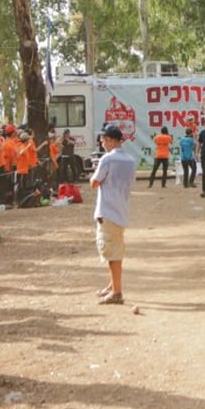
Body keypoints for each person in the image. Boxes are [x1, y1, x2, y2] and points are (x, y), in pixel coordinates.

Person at [90, 125, 136, 305]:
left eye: (103, 141)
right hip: (122, 209)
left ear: (110, 140)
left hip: (107, 210)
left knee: (111, 253)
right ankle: (112, 285)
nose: (102, 144)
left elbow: (94, 182)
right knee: (116, 248)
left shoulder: (107, 159)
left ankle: (117, 292)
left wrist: (94, 175)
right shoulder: (130, 160)